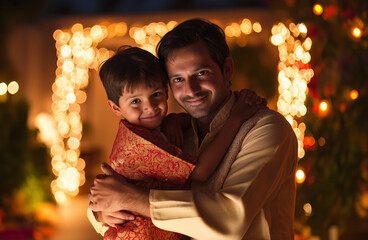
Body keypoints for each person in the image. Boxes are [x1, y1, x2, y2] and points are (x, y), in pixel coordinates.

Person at [89, 18, 298, 240]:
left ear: (226, 69)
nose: (191, 90)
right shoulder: (171, 132)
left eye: (201, 73)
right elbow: (110, 194)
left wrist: (131, 199)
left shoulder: (266, 129)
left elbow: (231, 220)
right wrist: (101, 211)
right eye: (178, 79)